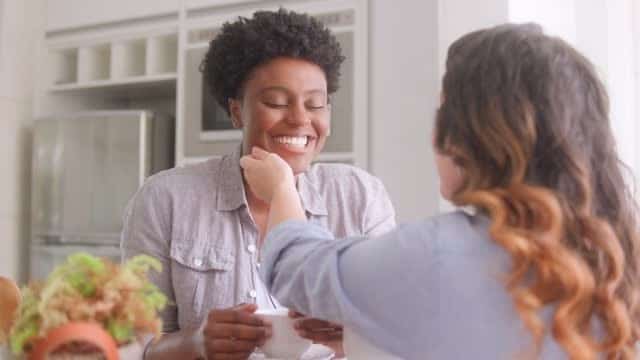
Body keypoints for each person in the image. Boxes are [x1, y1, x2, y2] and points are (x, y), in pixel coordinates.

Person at [240, 23, 640, 359]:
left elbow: (294, 268)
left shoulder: (433, 251)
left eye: (442, 114)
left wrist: (281, 191)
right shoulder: (613, 255)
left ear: (473, 137)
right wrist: (366, 338)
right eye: (275, 101)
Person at [120, 8, 396, 360]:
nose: (300, 119)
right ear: (236, 111)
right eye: (277, 102)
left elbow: (396, 335)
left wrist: (356, 336)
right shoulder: (166, 200)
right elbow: (131, 347)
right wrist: (195, 343)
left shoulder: (359, 198)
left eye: (315, 104)